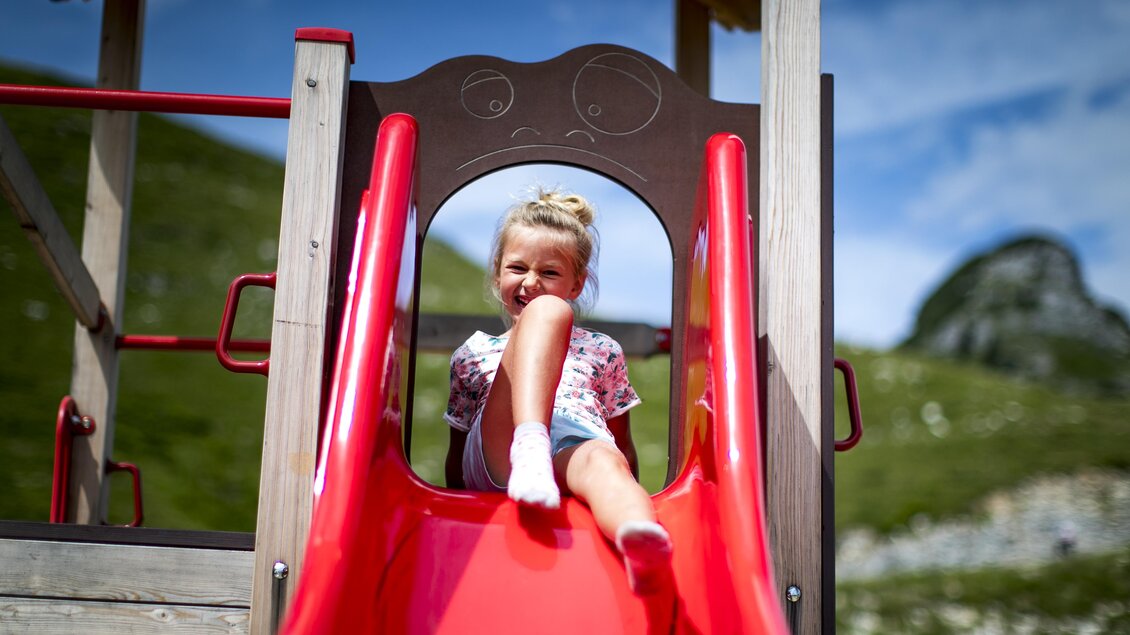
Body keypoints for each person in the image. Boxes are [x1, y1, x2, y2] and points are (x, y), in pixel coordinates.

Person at [443, 187, 672, 595]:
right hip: (503, 453)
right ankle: (530, 444)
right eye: (517, 267)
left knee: (603, 458)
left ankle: (637, 540)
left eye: (549, 273)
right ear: (498, 273)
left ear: (576, 284)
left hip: (573, 452)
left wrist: (624, 481)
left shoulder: (602, 350)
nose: (531, 281)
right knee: (546, 314)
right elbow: (457, 449)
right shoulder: (475, 352)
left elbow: (622, 443)